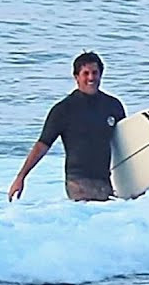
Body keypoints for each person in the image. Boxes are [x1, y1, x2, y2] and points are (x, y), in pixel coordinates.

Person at [8, 51, 126, 202]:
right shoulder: (64, 109)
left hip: (105, 181)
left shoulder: (113, 106)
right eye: (86, 73)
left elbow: (125, 143)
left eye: (95, 73)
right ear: (76, 77)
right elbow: (42, 145)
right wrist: (21, 177)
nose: (91, 78)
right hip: (78, 182)